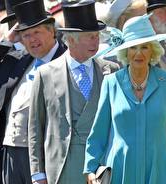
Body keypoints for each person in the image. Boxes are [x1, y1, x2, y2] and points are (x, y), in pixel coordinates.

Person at [84, 14, 166, 184]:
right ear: (125, 52)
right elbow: (99, 130)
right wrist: (91, 169)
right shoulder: (111, 83)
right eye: (133, 47)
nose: (139, 53)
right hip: (121, 170)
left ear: (153, 51)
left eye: (144, 47)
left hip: (159, 169)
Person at [28, 1, 119, 183]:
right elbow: (35, 127)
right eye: (90, 36)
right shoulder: (45, 74)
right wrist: (38, 174)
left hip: (103, 167)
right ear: (70, 39)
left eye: (96, 35)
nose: (96, 41)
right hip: (62, 169)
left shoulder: (112, 70)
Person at [0, 0, 67, 183]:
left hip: (44, 158)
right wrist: (6, 42)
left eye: (37, 32)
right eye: (26, 35)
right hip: (8, 154)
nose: (32, 40)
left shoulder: (66, 61)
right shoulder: (18, 59)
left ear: (52, 31)